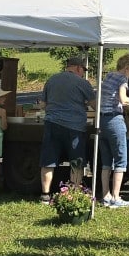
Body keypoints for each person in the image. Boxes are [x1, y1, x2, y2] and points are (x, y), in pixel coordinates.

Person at [39, 55, 96, 203]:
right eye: (83, 70)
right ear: (78, 68)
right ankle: (74, 192)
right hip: (74, 127)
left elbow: (43, 105)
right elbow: (95, 105)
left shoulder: (51, 80)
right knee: (76, 161)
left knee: (48, 161)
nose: (83, 73)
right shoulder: (82, 83)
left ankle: (45, 194)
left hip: (52, 123)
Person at [98, 54, 129, 208]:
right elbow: (123, 99)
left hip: (102, 120)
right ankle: (116, 197)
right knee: (121, 159)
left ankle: (106, 195)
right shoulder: (122, 79)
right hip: (114, 120)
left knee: (106, 161)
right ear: (127, 68)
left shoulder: (109, 76)